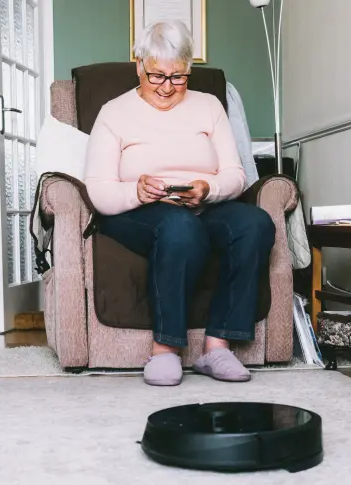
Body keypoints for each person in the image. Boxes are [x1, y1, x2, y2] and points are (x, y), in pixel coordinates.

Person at [83, 20, 275, 387]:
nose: (167, 88)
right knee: (178, 227)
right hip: (135, 211)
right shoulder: (114, 112)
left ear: (189, 69)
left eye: (178, 77)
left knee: (255, 223)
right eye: (156, 76)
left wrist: (208, 188)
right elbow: (99, 191)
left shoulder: (209, 106)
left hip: (203, 205)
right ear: (139, 64)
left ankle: (217, 347)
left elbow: (235, 175)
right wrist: (135, 192)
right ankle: (165, 350)